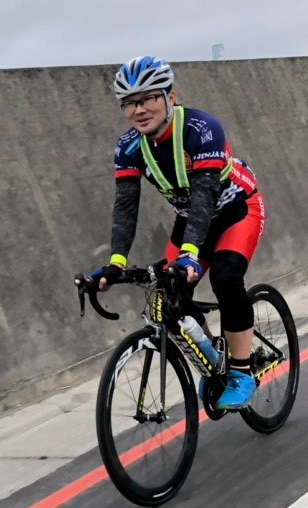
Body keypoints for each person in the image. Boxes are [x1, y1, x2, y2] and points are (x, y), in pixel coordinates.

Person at [91, 55, 266, 410]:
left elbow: (204, 196)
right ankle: (214, 359)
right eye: (130, 103)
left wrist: (189, 254)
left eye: (148, 98)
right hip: (190, 220)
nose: (139, 109)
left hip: (236, 211)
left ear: (170, 97)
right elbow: (125, 207)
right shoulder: (128, 147)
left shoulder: (202, 129)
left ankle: (242, 371)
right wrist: (116, 262)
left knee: (225, 277)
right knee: (169, 295)